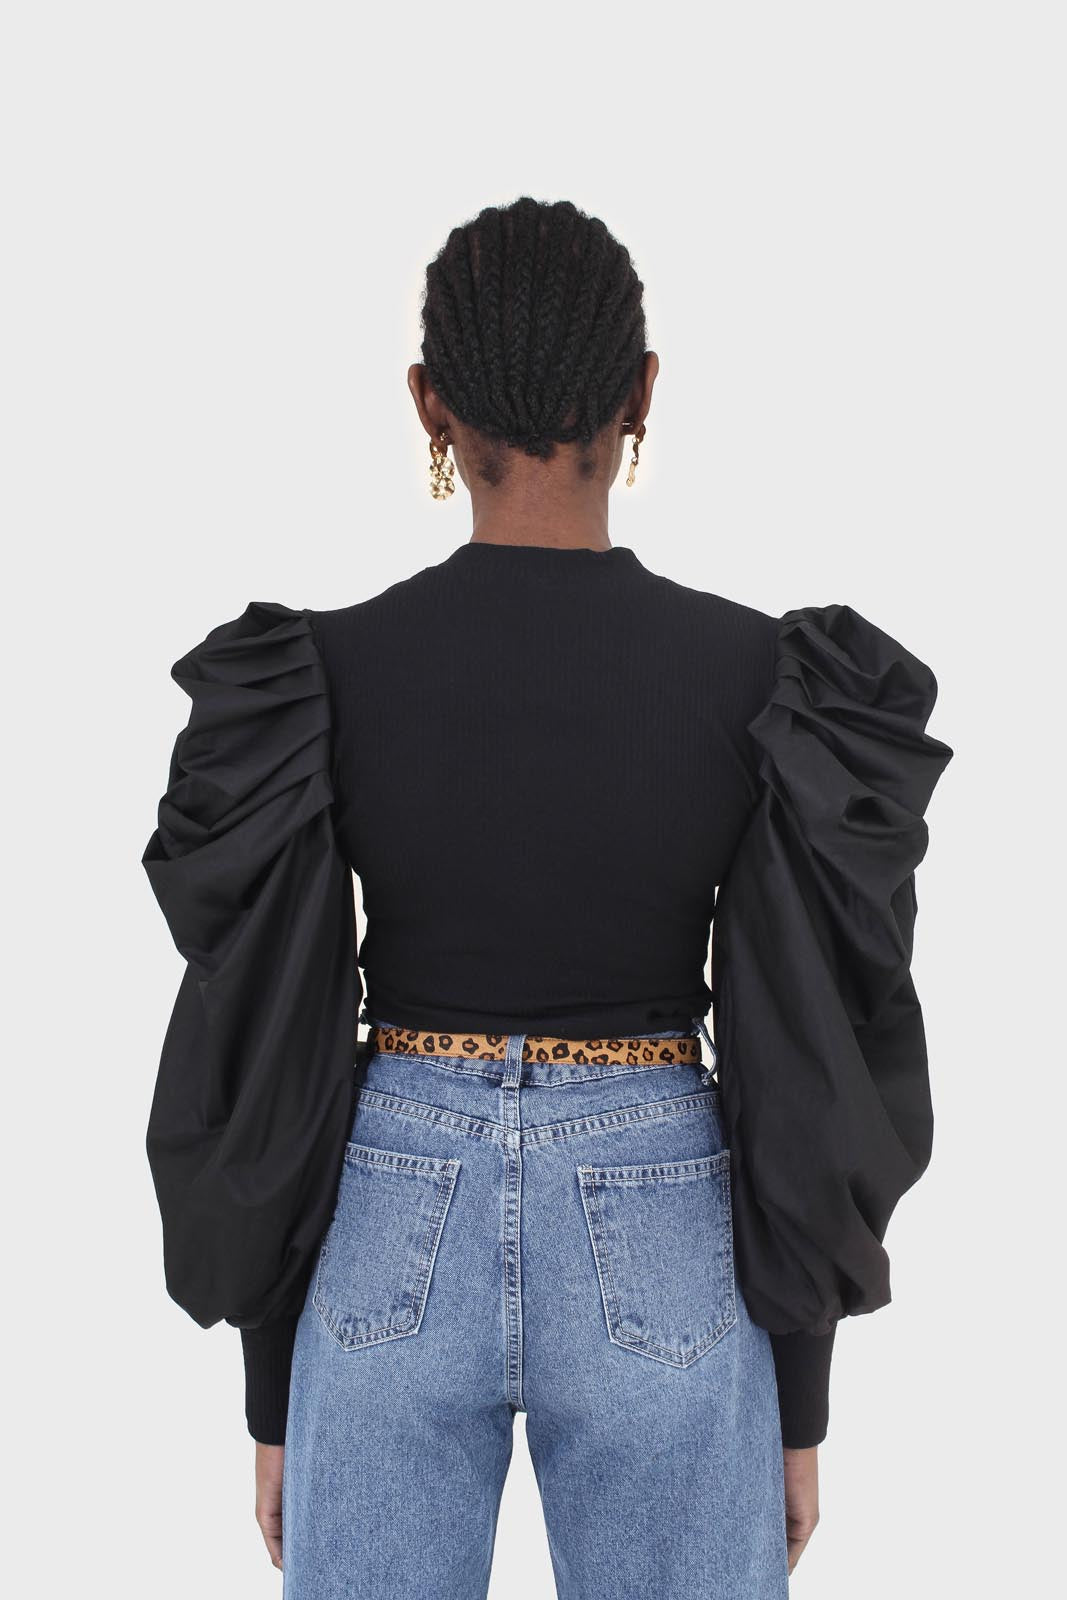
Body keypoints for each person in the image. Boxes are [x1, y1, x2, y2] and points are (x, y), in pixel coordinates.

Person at [142, 196, 953, 1598]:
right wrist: (798, 1398)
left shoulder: (317, 678)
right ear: (642, 394)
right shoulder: (766, 681)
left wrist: (278, 1393)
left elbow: (264, 1044)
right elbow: (809, 1049)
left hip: (389, 1203)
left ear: (428, 404)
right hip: (664, 1208)